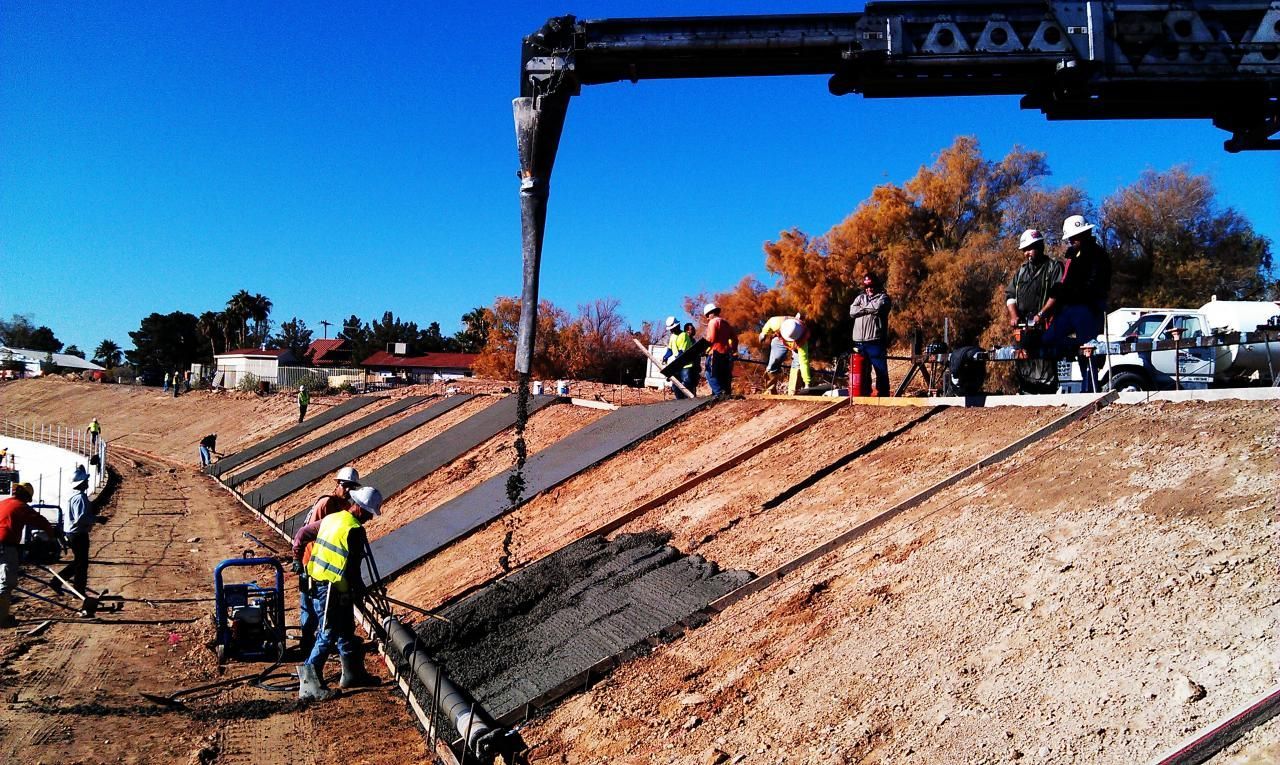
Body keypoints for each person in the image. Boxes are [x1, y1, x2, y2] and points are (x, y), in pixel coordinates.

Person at [297, 485, 383, 699]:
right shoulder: (354, 529)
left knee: (345, 627)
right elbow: (352, 570)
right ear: (361, 509)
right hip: (330, 586)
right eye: (370, 514)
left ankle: (353, 674)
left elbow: (302, 533)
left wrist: (297, 558)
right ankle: (309, 683)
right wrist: (360, 592)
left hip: (325, 582)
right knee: (329, 631)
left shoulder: (332, 519)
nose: (370, 519)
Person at [1033, 215, 1113, 392]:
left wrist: (1072, 293)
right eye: (1071, 237)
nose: (1072, 240)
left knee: (1088, 351)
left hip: (1088, 309)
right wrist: (1054, 303)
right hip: (1069, 309)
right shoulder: (1071, 257)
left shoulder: (1099, 256)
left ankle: (1090, 390)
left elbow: (1096, 285)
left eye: (1076, 236)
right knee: (1048, 340)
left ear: (1086, 233)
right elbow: (1063, 283)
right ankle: (1074, 349)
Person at [290, 466, 361, 653]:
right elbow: (308, 533)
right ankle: (309, 641)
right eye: (345, 486)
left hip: (327, 566)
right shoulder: (326, 504)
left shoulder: (346, 507)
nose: (348, 491)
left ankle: (329, 640)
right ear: (337, 484)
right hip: (311, 562)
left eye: (352, 487)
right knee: (311, 604)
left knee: (326, 606)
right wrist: (300, 560)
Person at [1005, 229, 1065, 393]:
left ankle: (1047, 394)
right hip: (1025, 331)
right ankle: (1026, 390)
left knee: (1045, 363)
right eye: (1024, 250)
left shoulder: (1053, 267)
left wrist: (1042, 314)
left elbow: (1057, 294)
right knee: (1024, 363)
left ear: (1040, 246)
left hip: (1046, 328)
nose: (1026, 253)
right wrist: (1014, 315)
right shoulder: (1021, 271)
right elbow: (1010, 295)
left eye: (1029, 249)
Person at [0, 483, 58, 627]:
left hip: (5, 543)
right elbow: (43, 523)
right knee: (6, 583)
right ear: (25, 496)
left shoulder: (3, 503)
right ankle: (2, 619)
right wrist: (52, 537)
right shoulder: (21, 507)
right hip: (5, 545)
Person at [56, 466, 95, 607]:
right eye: (86, 481)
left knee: (80, 561)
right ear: (81, 483)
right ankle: (76, 588)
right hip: (78, 533)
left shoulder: (73, 496)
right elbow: (81, 518)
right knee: (81, 562)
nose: (87, 483)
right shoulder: (80, 497)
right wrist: (97, 519)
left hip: (71, 532)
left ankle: (63, 583)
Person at [849, 274, 893, 396]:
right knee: (863, 371)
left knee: (881, 371)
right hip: (859, 342)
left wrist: (861, 309)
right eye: (867, 286)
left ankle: (883, 395)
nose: (869, 289)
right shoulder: (860, 298)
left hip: (875, 341)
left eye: (872, 286)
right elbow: (852, 312)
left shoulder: (884, 298)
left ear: (877, 285)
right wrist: (869, 308)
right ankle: (864, 394)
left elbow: (878, 307)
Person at [759, 314, 812, 395]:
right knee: (774, 361)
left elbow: (804, 362)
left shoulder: (802, 340)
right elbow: (769, 323)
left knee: (797, 364)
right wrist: (763, 333)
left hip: (797, 344)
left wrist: (807, 383)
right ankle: (770, 390)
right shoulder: (777, 323)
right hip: (780, 339)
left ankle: (793, 392)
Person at [702, 303, 736, 397]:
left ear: (711, 313)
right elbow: (735, 338)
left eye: (707, 316)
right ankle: (725, 394)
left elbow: (711, 339)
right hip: (726, 354)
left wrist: (703, 348)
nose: (707, 318)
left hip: (715, 353)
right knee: (723, 375)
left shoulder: (713, 322)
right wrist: (733, 351)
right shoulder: (726, 323)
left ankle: (719, 394)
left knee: (710, 373)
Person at [661, 316, 698, 398]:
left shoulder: (684, 335)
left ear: (677, 326)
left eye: (672, 328)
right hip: (678, 365)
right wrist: (665, 357)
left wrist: (671, 369)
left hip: (686, 365)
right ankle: (680, 402)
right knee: (675, 385)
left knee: (686, 383)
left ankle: (689, 401)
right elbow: (670, 350)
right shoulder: (673, 337)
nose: (671, 330)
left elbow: (681, 353)